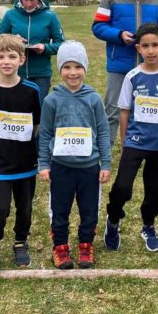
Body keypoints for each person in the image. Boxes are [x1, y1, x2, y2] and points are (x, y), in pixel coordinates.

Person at [104, 23, 158, 252]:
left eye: (155, 45)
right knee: (122, 188)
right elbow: (124, 112)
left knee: (154, 191)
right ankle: (113, 221)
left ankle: (148, 225)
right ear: (138, 49)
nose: (150, 50)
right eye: (145, 46)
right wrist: (124, 142)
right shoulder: (132, 77)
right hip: (135, 143)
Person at [38, 41, 111, 269]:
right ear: (60, 69)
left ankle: (85, 245)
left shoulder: (93, 98)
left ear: (85, 68)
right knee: (60, 209)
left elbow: (103, 131)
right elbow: (45, 133)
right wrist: (43, 163)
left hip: (89, 167)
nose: (73, 72)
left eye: (78, 67)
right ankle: (60, 247)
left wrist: (106, 163)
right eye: (67, 67)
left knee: (89, 210)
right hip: (61, 166)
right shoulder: (51, 100)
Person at [0, 35, 42, 275]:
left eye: (12, 56)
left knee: (25, 207)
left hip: (25, 162)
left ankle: (20, 242)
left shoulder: (32, 90)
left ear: (21, 60)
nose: (6, 61)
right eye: (1, 57)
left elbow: (36, 124)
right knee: (0, 207)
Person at [92, 0, 158, 145]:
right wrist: (119, 35)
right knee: (112, 110)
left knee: (146, 109)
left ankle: (143, 146)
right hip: (119, 64)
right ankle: (106, 150)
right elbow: (98, 26)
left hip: (148, 65)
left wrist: (153, 40)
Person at [0, 0, 64, 104]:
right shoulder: (10, 15)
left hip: (41, 75)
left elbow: (61, 44)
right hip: (15, 73)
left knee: (38, 111)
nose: (29, 4)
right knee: (16, 109)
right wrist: (12, 40)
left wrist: (45, 48)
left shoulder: (50, 16)